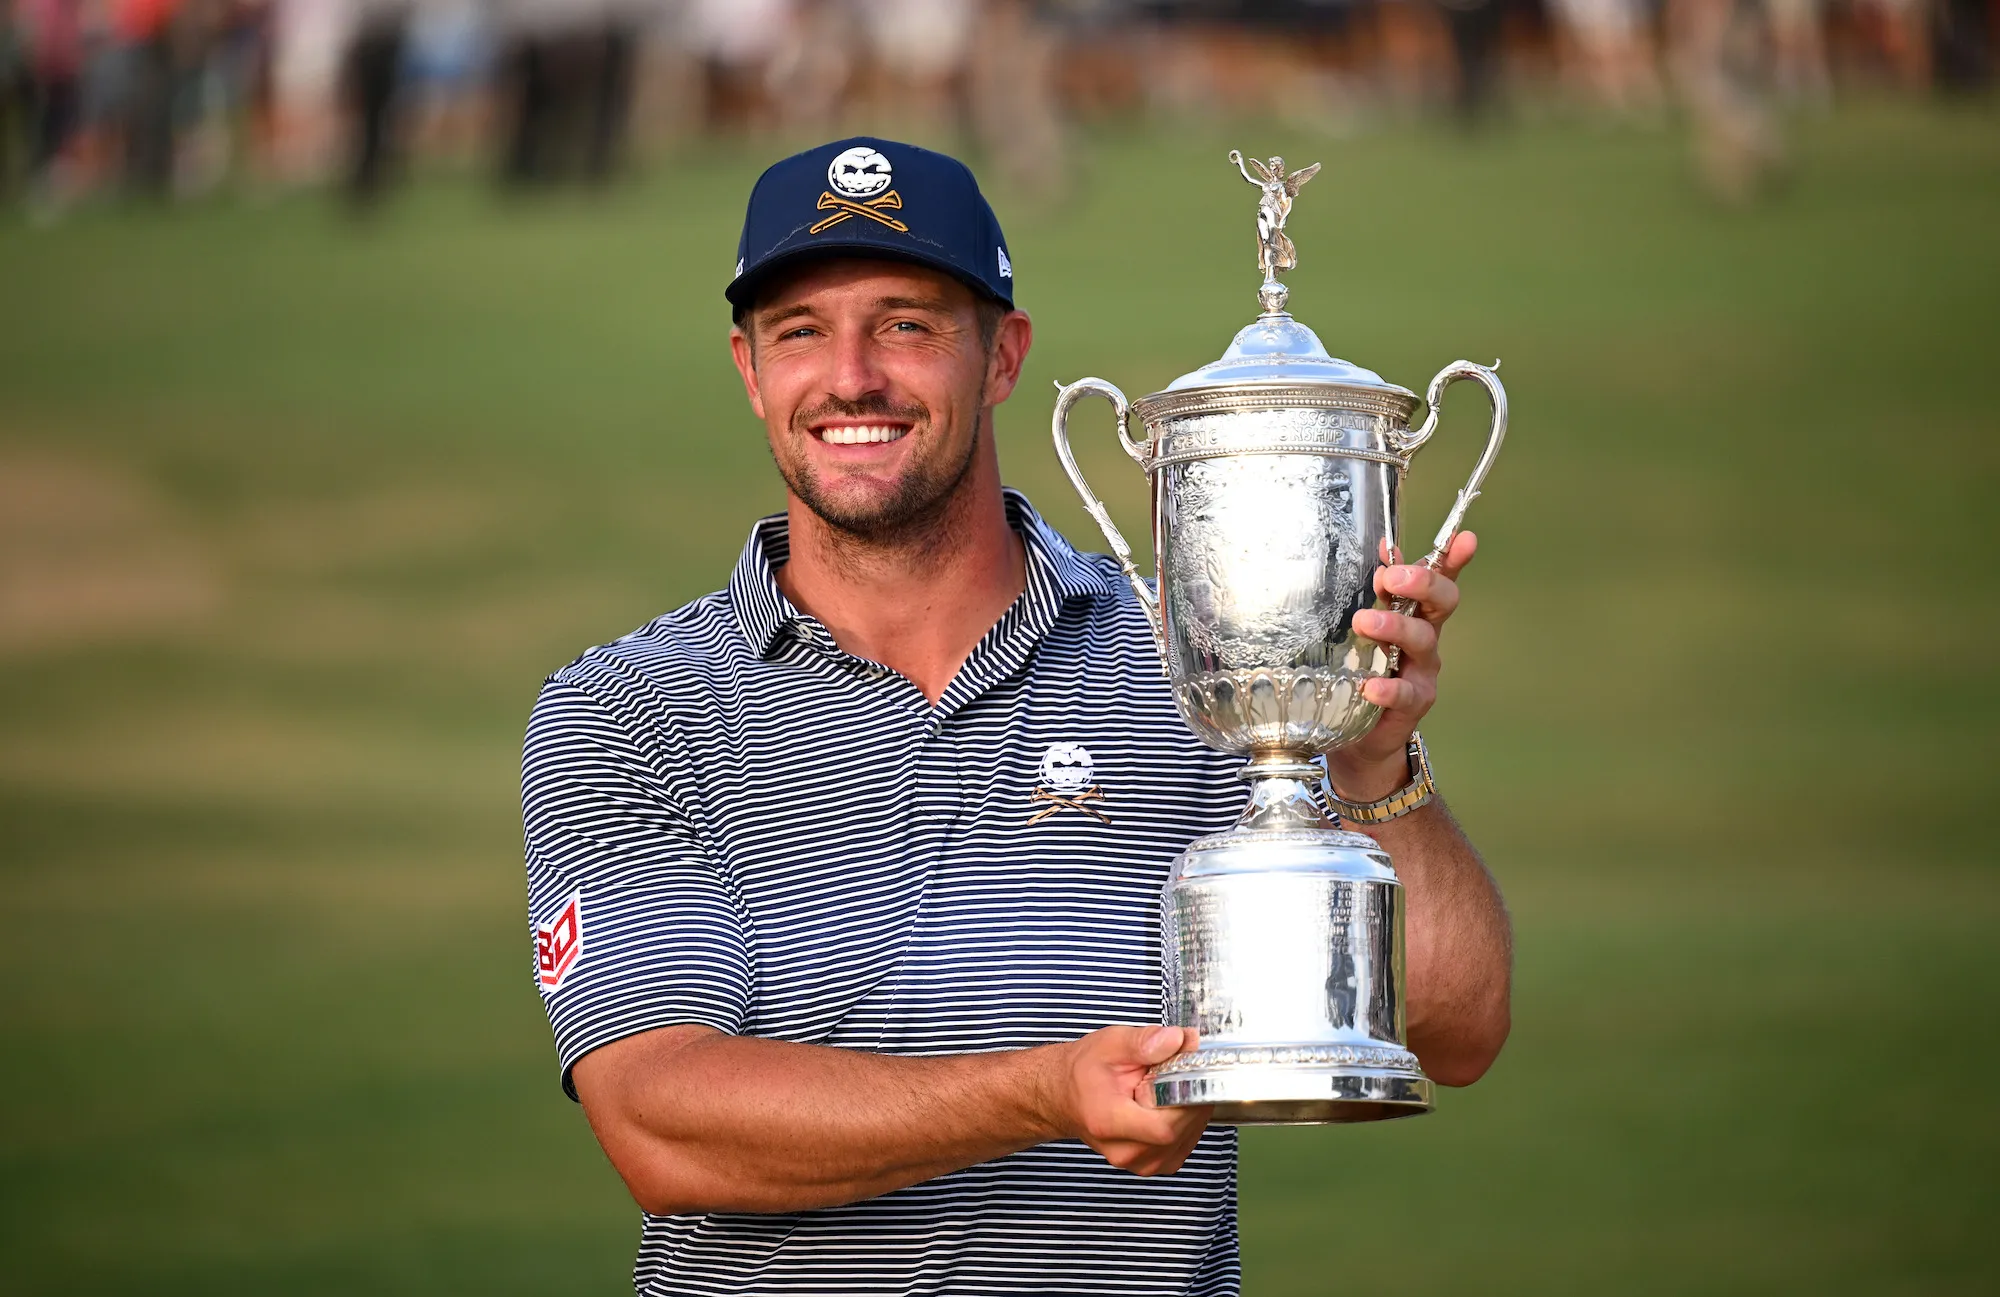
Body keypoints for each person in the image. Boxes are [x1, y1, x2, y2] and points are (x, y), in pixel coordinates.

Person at [522, 136, 1514, 1295]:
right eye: (800, 331)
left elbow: (1452, 1028)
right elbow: (659, 1121)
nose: (851, 375)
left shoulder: (1183, 654)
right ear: (748, 370)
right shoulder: (629, 706)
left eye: (905, 324)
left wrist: (1372, 755)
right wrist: (1042, 1092)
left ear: (1004, 356)